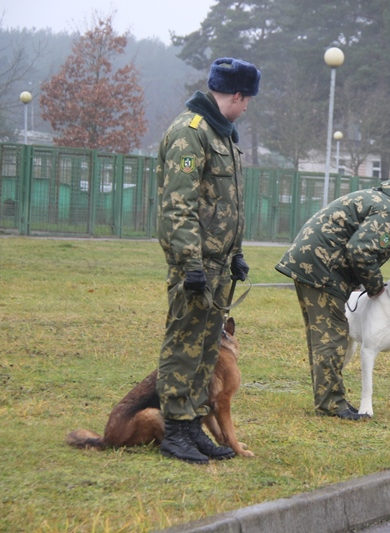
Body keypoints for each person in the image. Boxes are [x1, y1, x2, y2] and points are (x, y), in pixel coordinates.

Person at [275, 178, 390, 420]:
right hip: (320, 268)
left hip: (318, 264)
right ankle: (331, 403)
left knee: (330, 333)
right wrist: (374, 288)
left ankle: (332, 398)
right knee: (331, 335)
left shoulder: (389, 202)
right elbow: (360, 251)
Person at [155, 57, 260, 463]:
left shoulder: (222, 137)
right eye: (247, 99)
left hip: (217, 265)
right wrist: (190, 262)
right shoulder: (190, 134)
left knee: (205, 348)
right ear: (235, 95)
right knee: (183, 345)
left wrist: (235, 255)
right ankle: (175, 430)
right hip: (195, 265)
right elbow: (178, 205)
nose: (247, 107)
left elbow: (224, 206)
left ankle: (194, 424)